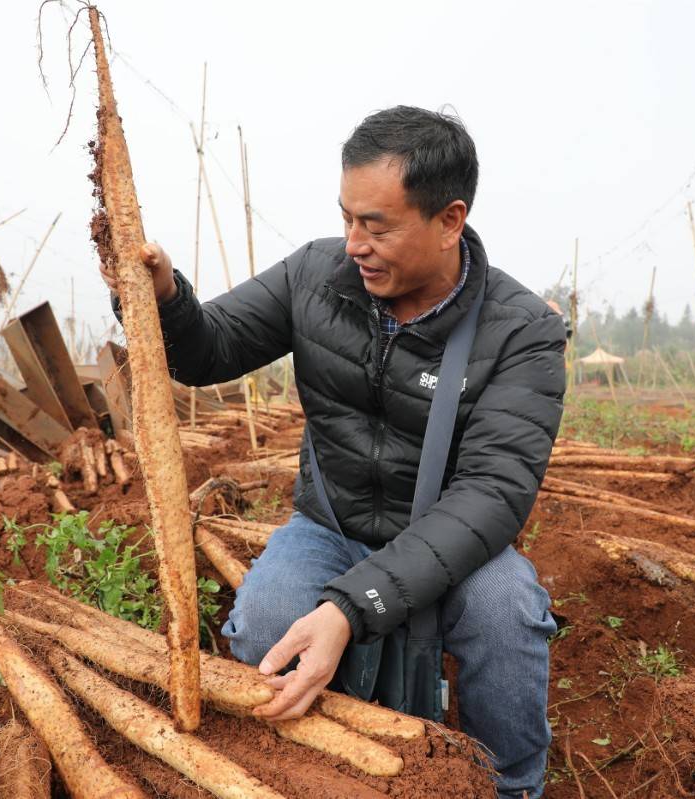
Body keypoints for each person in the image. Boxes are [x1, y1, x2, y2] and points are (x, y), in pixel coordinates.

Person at [102, 106, 567, 798]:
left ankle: (512, 786)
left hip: (452, 542)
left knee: (506, 614)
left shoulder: (522, 332)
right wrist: (165, 295)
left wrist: (351, 607)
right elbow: (209, 348)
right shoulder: (315, 276)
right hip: (332, 526)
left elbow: (490, 497)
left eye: (376, 224)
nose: (354, 242)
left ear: (449, 220)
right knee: (265, 623)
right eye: (347, 217)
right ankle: (330, 771)